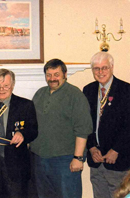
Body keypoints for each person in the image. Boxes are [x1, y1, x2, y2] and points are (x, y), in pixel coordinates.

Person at [30, 58, 93, 198]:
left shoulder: (75, 95)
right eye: (49, 75)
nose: (52, 79)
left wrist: (78, 157)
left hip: (65, 161)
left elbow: (83, 128)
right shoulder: (40, 93)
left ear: (65, 74)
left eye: (56, 74)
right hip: (40, 159)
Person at [0, 69, 38, 198]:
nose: (1, 89)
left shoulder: (25, 105)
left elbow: (33, 130)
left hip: (16, 163)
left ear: (12, 86)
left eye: (6, 85)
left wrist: (23, 134)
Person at [83, 52, 130, 198]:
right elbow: (85, 122)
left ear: (112, 67)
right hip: (96, 160)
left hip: (119, 159)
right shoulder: (88, 90)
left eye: (104, 68)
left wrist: (115, 150)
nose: (100, 72)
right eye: (96, 69)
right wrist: (91, 148)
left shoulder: (127, 90)